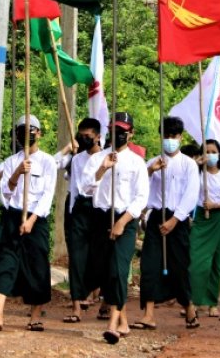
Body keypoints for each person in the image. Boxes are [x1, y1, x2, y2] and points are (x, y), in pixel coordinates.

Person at [0, 115, 58, 333]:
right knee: (5, 262)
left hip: (36, 219)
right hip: (12, 217)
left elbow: (47, 195)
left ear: (38, 133)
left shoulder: (48, 162)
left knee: (37, 266)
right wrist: (15, 173)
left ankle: (35, 315)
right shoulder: (12, 161)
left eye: (31, 130)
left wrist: (32, 220)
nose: (27, 134)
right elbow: (4, 191)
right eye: (22, 130)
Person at [81, 112, 149, 345]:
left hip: (125, 220)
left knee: (119, 270)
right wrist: (102, 169)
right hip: (100, 217)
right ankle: (123, 320)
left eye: (122, 130)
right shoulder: (97, 158)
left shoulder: (137, 162)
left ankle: (112, 325)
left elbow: (141, 198)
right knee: (105, 271)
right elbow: (85, 188)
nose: (118, 134)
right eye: (114, 129)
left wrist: (122, 222)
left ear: (131, 133)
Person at [135, 116, 201, 330]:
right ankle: (149, 314)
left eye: (173, 136)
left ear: (180, 137)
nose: (169, 140)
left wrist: (175, 219)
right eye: (166, 136)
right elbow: (141, 190)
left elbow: (191, 195)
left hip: (178, 219)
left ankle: (189, 305)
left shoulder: (189, 165)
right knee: (150, 265)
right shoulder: (152, 162)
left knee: (179, 265)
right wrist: (151, 171)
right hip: (156, 218)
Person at [188, 139, 220, 318]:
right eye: (206, 151)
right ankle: (193, 301)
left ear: (219, 154)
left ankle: (212, 302)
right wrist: (195, 165)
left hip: (216, 218)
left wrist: (216, 205)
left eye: (213, 151)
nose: (210, 154)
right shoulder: (196, 173)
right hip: (199, 218)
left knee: (216, 262)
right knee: (196, 261)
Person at [59, 118, 103, 323]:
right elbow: (73, 185)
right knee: (76, 257)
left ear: (98, 137)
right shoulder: (76, 159)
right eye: (81, 135)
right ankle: (76, 306)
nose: (84, 139)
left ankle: (102, 297)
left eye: (88, 136)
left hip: (99, 210)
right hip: (78, 210)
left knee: (98, 256)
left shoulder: (107, 157)